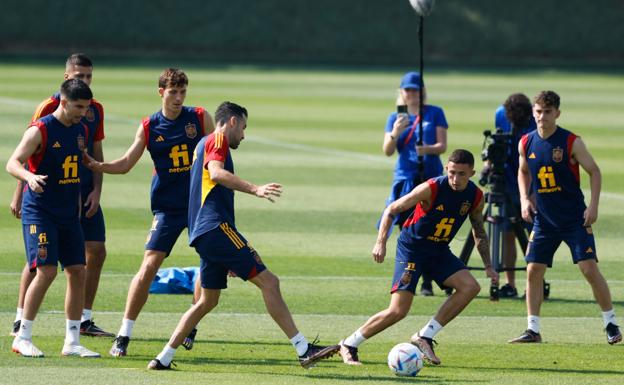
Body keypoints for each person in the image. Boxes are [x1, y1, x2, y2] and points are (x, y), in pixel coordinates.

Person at [147, 101, 339, 370]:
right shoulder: (217, 139)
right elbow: (216, 173)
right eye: (244, 127)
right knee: (270, 282)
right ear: (233, 122)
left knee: (207, 300)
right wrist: (255, 189)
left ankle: (163, 358)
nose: (244, 135)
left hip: (204, 233)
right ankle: (303, 349)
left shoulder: (203, 143)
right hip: (216, 228)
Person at [83, 68, 215, 356]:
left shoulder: (200, 117)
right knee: (148, 266)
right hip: (167, 208)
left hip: (200, 206)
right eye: (173, 92)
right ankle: (124, 333)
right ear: (161, 93)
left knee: (207, 262)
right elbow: (127, 162)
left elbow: (218, 155)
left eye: (182, 92)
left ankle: (190, 327)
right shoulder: (149, 126)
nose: (179, 98)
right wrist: (98, 165)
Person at [339, 149, 498, 366]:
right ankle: (349, 344)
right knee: (398, 311)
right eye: (452, 173)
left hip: (438, 251)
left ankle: (425, 336)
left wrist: (488, 266)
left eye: (461, 174)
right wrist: (381, 242)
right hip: (412, 249)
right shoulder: (431, 188)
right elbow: (392, 209)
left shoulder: (476, 197)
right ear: (446, 169)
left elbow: (478, 231)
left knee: (470, 287)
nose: (455, 179)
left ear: (472, 172)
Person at [8, 53, 113, 338]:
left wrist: (96, 190)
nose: (85, 80)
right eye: (79, 76)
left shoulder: (93, 111)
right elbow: (28, 158)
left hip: (76, 194)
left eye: (89, 76)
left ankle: (81, 324)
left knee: (91, 256)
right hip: (43, 197)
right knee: (42, 263)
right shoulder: (49, 110)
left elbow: (94, 155)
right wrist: (23, 187)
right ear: (67, 78)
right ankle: (22, 322)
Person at [509, 91, 621, 344]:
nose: (542, 117)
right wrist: (525, 199)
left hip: (573, 219)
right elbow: (522, 172)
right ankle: (533, 329)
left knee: (588, 268)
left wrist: (593, 206)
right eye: (538, 112)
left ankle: (611, 323)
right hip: (545, 220)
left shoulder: (571, 142)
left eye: (547, 112)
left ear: (557, 113)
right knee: (533, 270)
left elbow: (594, 171)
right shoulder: (526, 142)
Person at [381, 71, 449, 297]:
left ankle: (428, 281)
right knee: (408, 229)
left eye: (415, 89)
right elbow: (388, 151)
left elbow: (442, 146)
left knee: (430, 228)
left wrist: (426, 149)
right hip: (406, 178)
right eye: (407, 90)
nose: (411, 94)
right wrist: (395, 132)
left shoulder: (435, 112)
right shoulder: (395, 117)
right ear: (401, 92)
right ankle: (410, 276)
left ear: (422, 92)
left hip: (429, 176)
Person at [491, 93, 536, 298]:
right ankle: (510, 284)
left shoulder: (534, 121)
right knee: (507, 234)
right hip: (506, 182)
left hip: (531, 186)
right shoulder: (500, 114)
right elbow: (496, 143)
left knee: (533, 235)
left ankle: (534, 285)